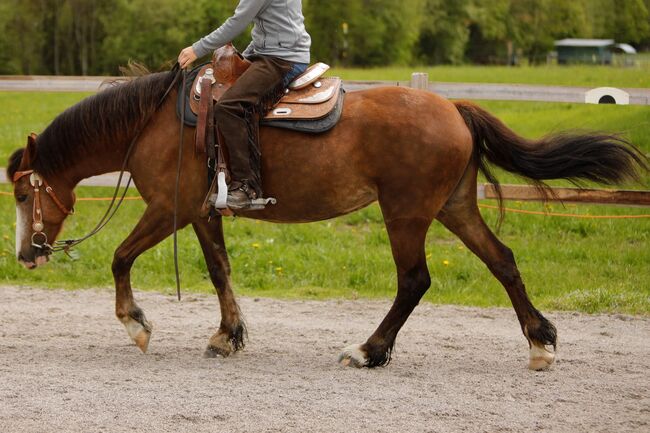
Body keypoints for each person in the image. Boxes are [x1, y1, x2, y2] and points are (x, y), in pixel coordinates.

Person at [178, 0, 311, 210]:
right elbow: (266, 26)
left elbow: (237, 22)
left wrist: (197, 49)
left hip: (281, 59)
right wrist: (246, 55)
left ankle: (247, 187)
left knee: (229, 107)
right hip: (269, 53)